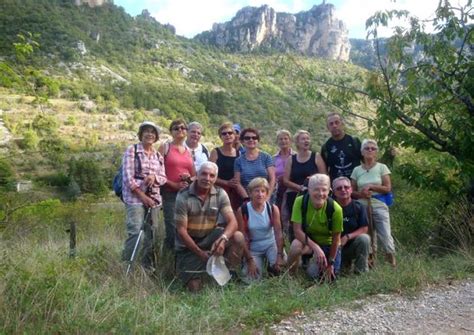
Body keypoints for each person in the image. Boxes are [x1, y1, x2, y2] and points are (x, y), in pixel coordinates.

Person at [175, 161, 245, 292]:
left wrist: (223, 239)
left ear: (215, 178)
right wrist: (200, 253)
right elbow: (181, 231)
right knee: (195, 289)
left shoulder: (220, 193)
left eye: (212, 176)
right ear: (197, 174)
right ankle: (202, 270)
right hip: (189, 245)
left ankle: (230, 273)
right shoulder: (183, 195)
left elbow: (233, 222)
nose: (207, 178)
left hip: (210, 238)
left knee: (238, 237)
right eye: (204, 174)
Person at [121, 121, 167, 268]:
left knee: (151, 236)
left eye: (153, 132)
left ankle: (147, 268)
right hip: (135, 200)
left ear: (156, 137)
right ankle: (127, 267)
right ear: (140, 134)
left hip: (153, 201)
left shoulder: (158, 156)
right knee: (136, 233)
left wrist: (154, 177)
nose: (150, 134)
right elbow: (128, 177)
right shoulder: (132, 151)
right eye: (146, 131)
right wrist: (143, 196)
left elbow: (163, 177)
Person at [287, 174, 343, 281]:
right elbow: (297, 231)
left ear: (329, 191)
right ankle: (291, 276)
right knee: (295, 246)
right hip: (308, 242)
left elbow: (336, 239)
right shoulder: (300, 201)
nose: (320, 194)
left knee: (322, 278)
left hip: (328, 244)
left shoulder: (336, 209)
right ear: (309, 190)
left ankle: (308, 264)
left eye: (324, 190)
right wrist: (316, 248)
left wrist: (331, 263)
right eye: (316, 190)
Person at [350, 139, 396, 267]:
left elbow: (387, 188)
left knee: (385, 235)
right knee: (368, 236)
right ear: (362, 152)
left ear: (376, 152)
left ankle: (391, 262)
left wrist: (372, 186)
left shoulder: (382, 167)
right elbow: (351, 191)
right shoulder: (356, 170)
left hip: (379, 204)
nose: (370, 150)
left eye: (373, 148)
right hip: (362, 207)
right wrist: (361, 194)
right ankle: (370, 263)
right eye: (367, 148)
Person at [236, 178, 284, 281]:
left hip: (271, 244)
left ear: (267, 193)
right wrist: (249, 260)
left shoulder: (272, 208)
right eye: (256, 191)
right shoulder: (243, 210)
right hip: (253, 248)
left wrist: (280, 255)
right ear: (250, 193)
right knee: (251, 278)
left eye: (263, 191)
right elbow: (242, 237)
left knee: (282, 270)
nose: (260, 194)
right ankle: (260, 264)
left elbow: (278, 233)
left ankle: (271, 265)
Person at [158, 119, 196, 250]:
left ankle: (182, 260)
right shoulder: (165, 147)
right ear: (171, 132)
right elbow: (157, 171)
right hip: (169, 194)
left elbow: (194, 175)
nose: (180, 130)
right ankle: (168, 260)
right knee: (172, 228)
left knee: (186, 228)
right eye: (176, 128)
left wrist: (189, 179)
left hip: (187, 195)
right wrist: (173, 184)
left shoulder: (189, 151)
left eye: (183, 128)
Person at [283, 130, 326, 240]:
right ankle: (295, 247)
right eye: (303, 139)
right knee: (295, 224)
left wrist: (312, 183)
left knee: (311, 223)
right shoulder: (291, 159)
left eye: (308, 138)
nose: (306, 141)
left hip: (314, 196)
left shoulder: (316, 157)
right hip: (295, 195)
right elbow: (285, 180)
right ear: (297, 142)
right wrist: (300, 188)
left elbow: (324, 176)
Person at [332, 176, 370, 273]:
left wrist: (347, 237)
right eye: (339, 188)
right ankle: (341, 265)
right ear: (334, 192)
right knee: (313, 273)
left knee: (364, 238)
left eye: (346, 187)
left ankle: (361, 271)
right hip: (333, 248)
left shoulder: (359, 206)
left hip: (352, 245)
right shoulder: (329, 207)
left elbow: (364, 228)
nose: (343, 190)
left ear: (351, 189)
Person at [234, 127, 275, 201]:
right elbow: (237, 183)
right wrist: (247, 199)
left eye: (254, 137)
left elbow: (272, 179)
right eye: (247, 138)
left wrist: (267, 197)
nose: (251, 140)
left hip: (265, 198)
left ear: (258, 140)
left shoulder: (266, 157)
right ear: (242, 141)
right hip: (247, 199)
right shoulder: (238, 161)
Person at [209, 122, 242, 211]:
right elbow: (209, 174)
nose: (227, 135)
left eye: (230, 133)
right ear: (220, 137)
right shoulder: (215, 152)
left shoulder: (239, 153)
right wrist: (226, 183)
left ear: (234, 135)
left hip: (235, 193)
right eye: (224, 133)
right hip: (218, 191)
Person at [321, 112, 362, 182]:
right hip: (337, 187)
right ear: (328, 128)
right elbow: (324, 171)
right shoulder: (326, 147)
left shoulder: (354, 141)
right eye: (331, 124)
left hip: (356, 184)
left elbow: (366, 162)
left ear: (342, 124)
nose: (334, 126)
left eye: (337, 122)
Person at [273, 129, 293, 237]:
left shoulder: (296, 156)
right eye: (281, 139)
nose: (283, 141)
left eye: (286, 138)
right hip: (279, 191)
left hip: (293, 189)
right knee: (280, 215)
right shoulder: (273, 158)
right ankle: (282, 238)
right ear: (277, 141)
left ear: (290, 141)